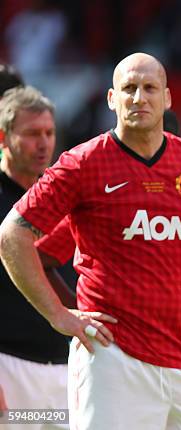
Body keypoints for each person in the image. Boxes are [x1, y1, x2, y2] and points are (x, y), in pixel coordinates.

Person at [0, 53, 181, 429]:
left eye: (149, 88)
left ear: (167, 98)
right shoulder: (81, 164)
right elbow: (11, 234)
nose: (139, 97)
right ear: (112, 99)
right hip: (113, 359)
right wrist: (59, 315)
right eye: (129, 88)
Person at [0, 85, 73, 429]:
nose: (43, 143)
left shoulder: (64, 196)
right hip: (10, 368)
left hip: (67, 368)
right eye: (31, 134)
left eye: (49, 132)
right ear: (3, 136)